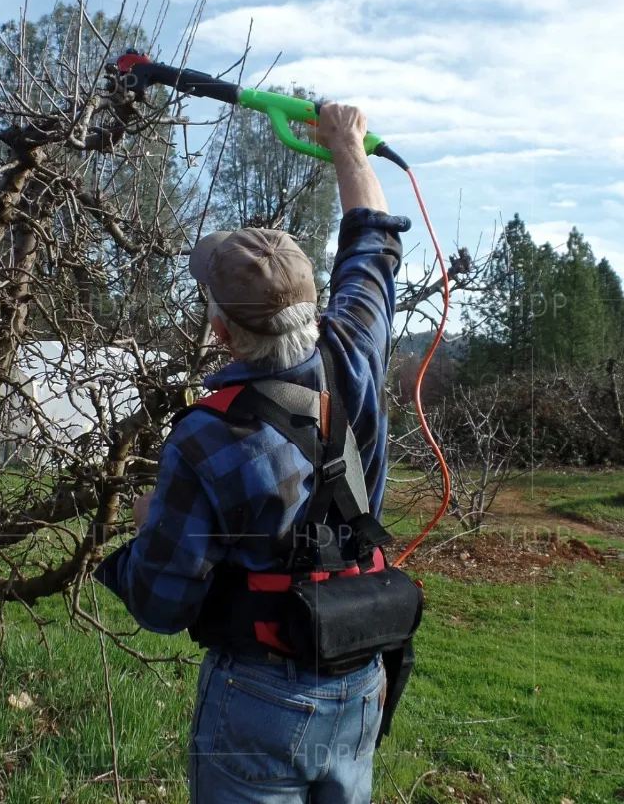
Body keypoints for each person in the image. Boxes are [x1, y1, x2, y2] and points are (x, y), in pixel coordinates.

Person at [93, 104, 412, 804]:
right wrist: (348, 148)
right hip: (364, 676)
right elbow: (374, 245)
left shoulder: (206, 436)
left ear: (219, 331)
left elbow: (161, 602)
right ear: (311, 302)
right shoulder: (354, 347)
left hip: (261, 698)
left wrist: (139, 533)